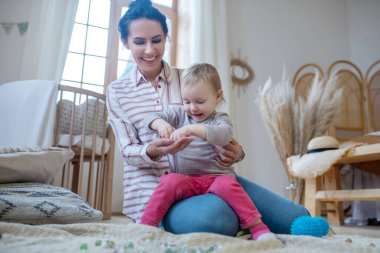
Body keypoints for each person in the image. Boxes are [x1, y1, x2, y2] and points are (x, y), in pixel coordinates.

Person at [106, 0, 310, 236]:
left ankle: (237, 215)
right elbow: (128, 150)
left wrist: (237, 152)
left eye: (157, 40)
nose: (150, 50)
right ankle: (236, 219)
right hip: (159, 193)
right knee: (217, 221)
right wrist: (153, 149)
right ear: (125, 43)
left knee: (297, 219)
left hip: (215, 176)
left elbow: (218, 126)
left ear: (166, 38)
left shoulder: (191, 78)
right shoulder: (118, 92)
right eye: (139, 42)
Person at [140, 63, 276, 241]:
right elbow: (148, 118)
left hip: (216, 178)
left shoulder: (220, 118)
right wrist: (161, 124)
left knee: (229, 185)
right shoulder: (179, 113)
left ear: (218, 96)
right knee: (169, 181)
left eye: (200, 102)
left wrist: (192, 129)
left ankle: (258, 228)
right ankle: (146, 226)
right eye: (187, 101)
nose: (192, 108)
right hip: (186, 179)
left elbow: (224, 135)